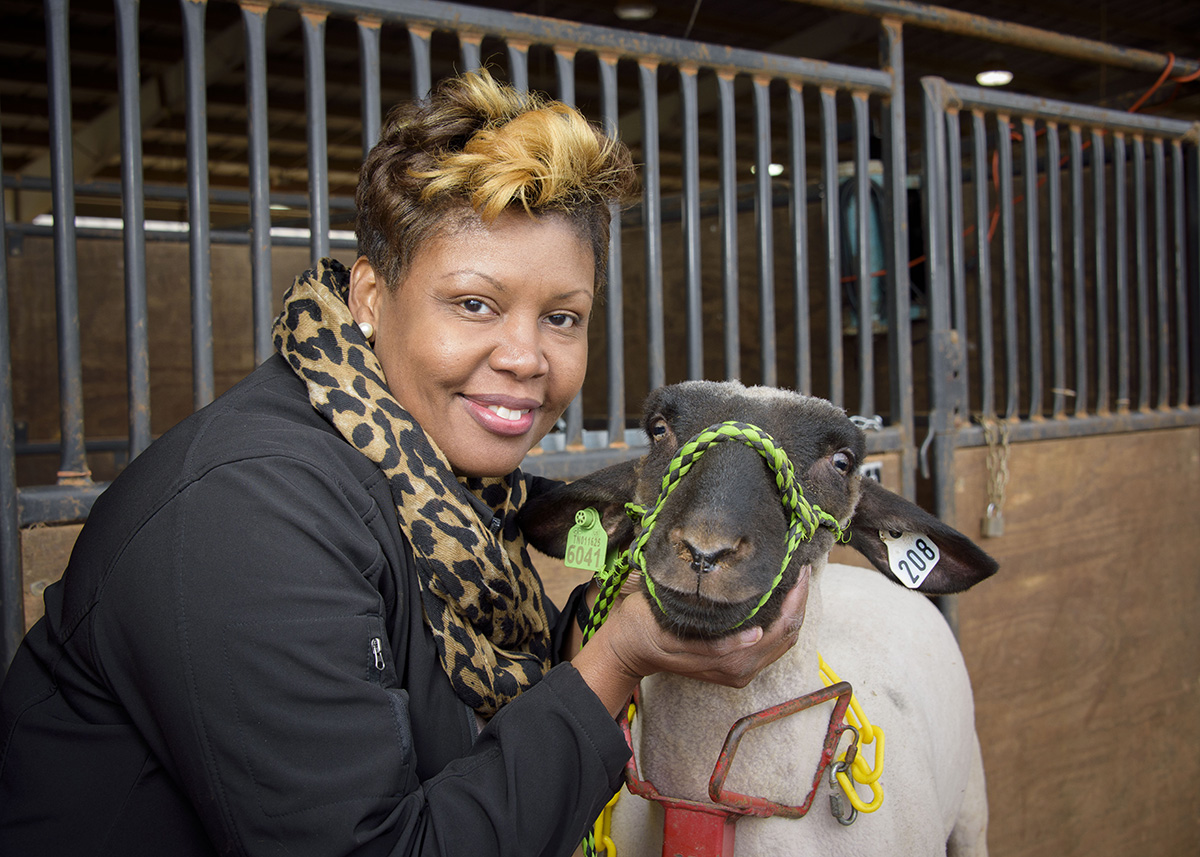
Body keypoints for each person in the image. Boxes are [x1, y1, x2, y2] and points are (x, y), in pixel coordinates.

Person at [0, 70, 805, 856]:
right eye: (474, 304)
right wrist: (618, 657)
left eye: (562, 317)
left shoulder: (462, 497)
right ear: (370, 298)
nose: (526, 357)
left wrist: (628, 609)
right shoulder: (251, 512)